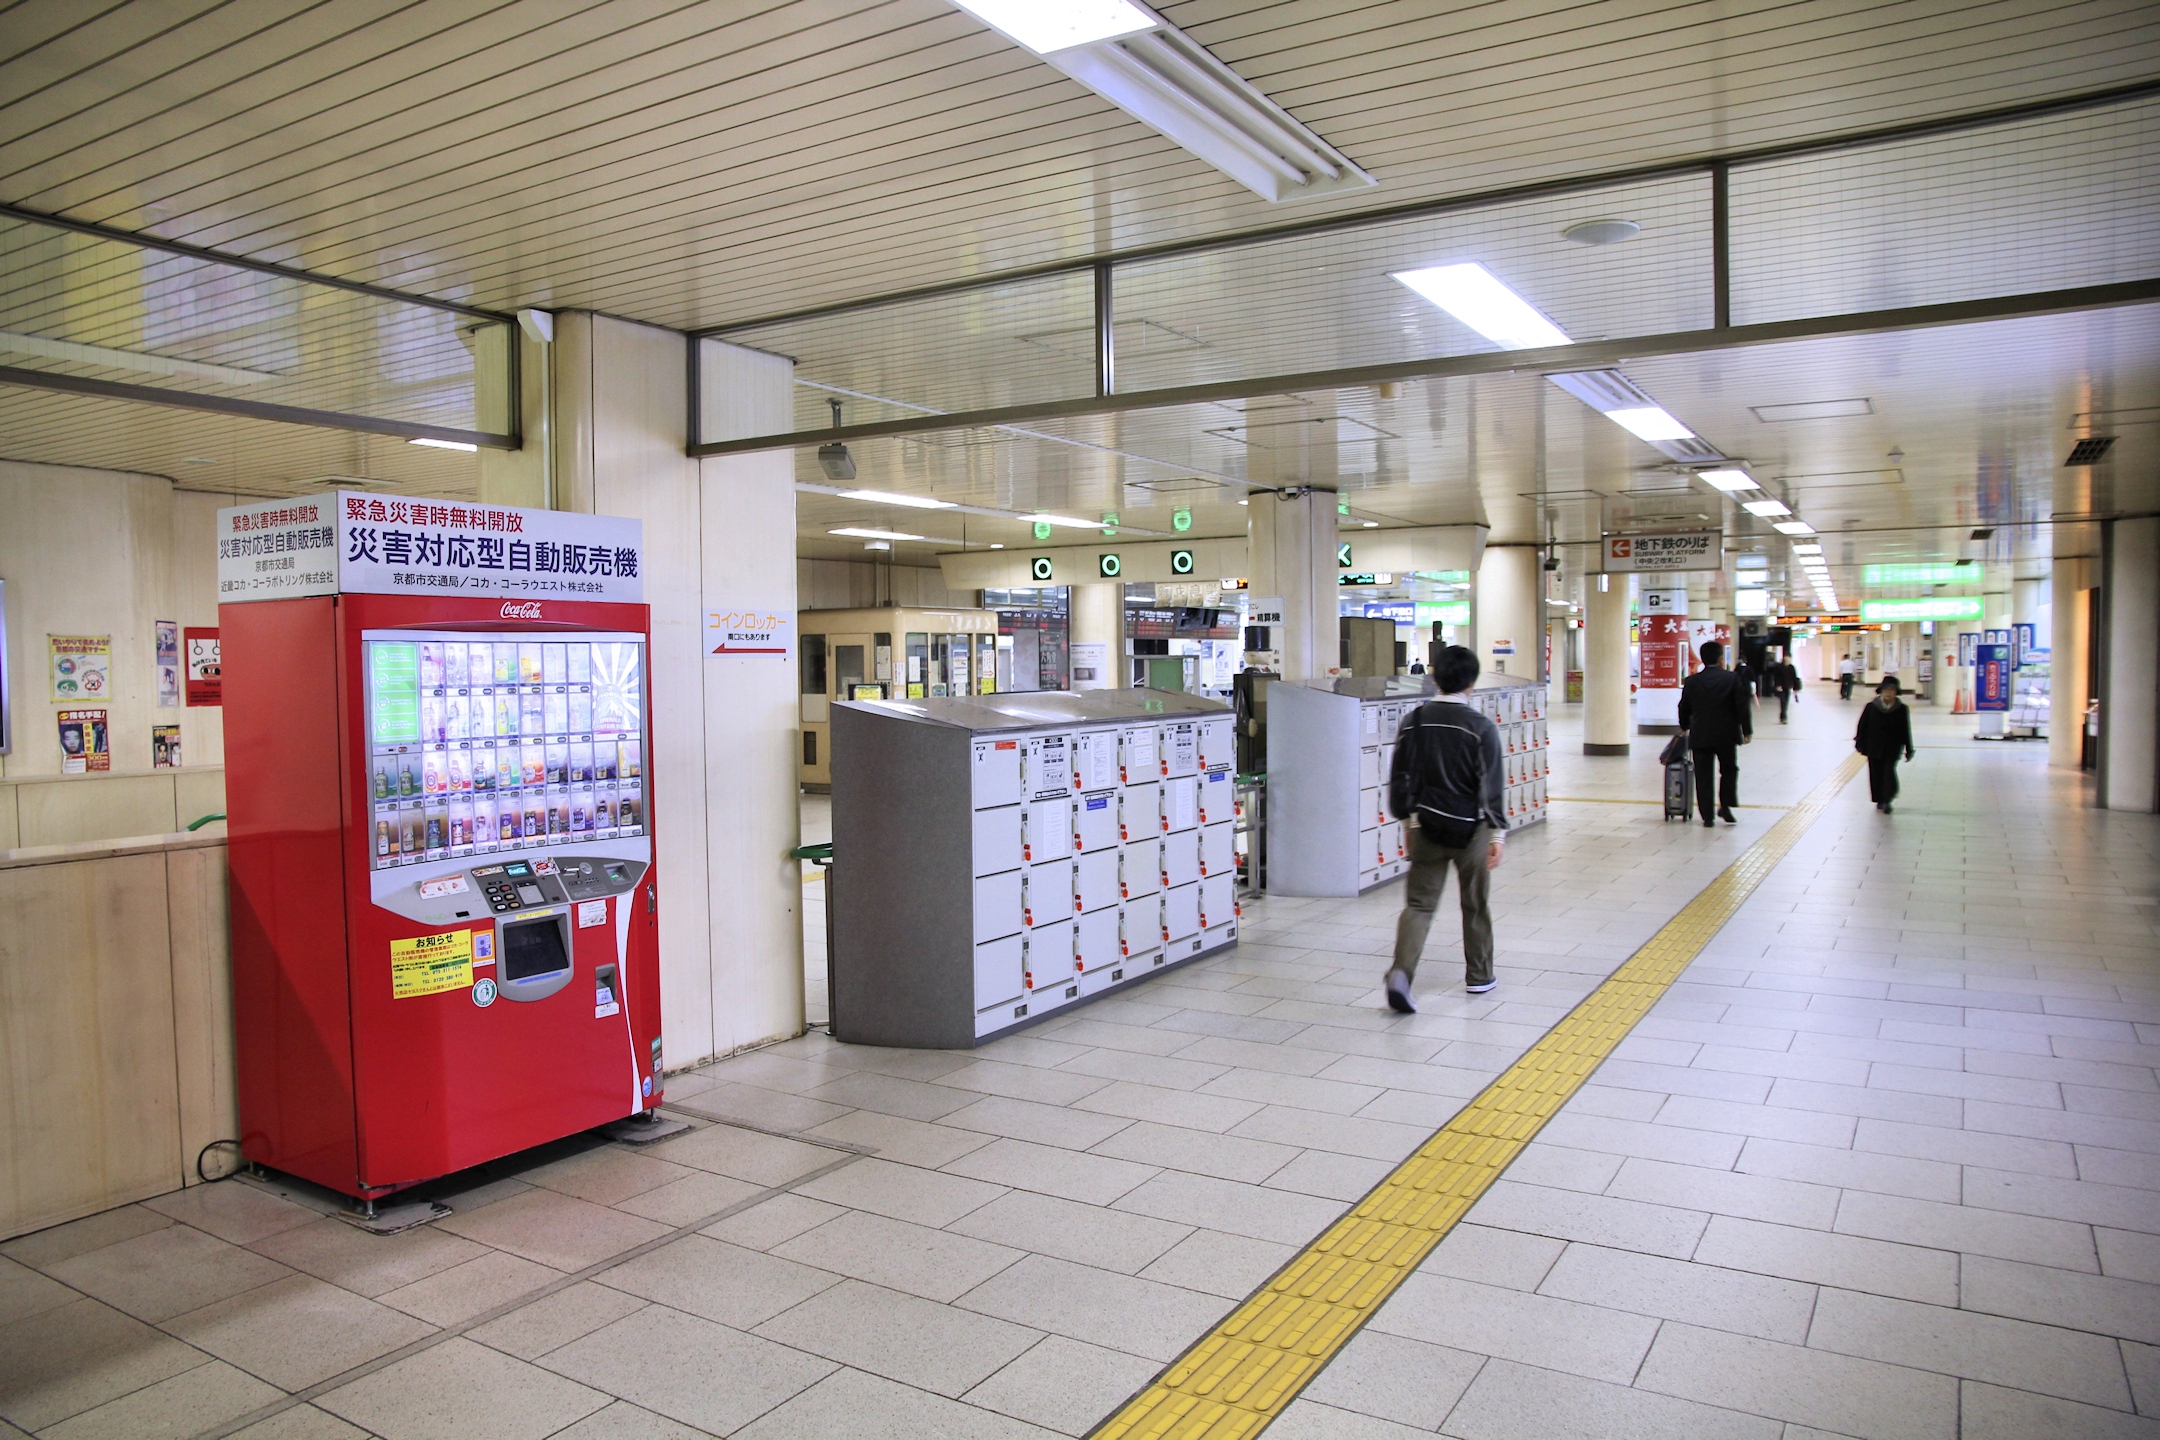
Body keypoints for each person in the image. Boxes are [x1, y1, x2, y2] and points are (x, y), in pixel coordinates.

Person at [1383, 644, 1506, 1012]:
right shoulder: (1481, 727)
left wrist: (1407, 820)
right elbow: (1492, 784)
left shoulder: (1415, 721)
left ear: (1435, 678)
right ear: (1471, 682)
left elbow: (1400, 776)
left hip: (1425, 825)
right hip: (1471, 830)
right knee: (1474, 902)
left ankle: (1401, 974)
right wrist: (1496, 834)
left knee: (1419, 905)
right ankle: (1480, 976)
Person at [1677, 639, 1753, 827]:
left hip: (1700, 734)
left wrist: (1685, 725)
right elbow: (1742, 706)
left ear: (1703, 659)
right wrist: (1746, 729)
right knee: (1729, 770)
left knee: (1703, 775)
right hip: (1726, 735)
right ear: (1721, 659)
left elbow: (1683, 706)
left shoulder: (1692, 681)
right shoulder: (1732, 678)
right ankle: (1725, 805)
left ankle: (1707, 816)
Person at [1856, 675, 1916, 812]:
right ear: (1881, 691)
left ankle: (1887, 799)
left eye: (1892, 690)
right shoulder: (1871, 707)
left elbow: (1905, 729)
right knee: (1876, 773)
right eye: (1886, 690)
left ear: (1896, 692)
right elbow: (1862, 726)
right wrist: (1859, 742)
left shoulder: (1901, 709)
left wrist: (1909, 748)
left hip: (1892, 748)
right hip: (1873, 747)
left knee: (1888, 772)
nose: (1888, 693)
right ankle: (1880, 799)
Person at [1769, 652, 1801, 723]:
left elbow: (1794, 678)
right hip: (1781, 687)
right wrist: (1777, 685)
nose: (1787, 659)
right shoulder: (1779, 667)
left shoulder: (1792, 668)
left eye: (1789, 658)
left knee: (1785, 703)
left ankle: (1783, 715)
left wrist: (1795, 689)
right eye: (1786, 657)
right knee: (1783, 701)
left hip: (1787, 687)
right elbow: (1776, 677)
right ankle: (1784, 718)